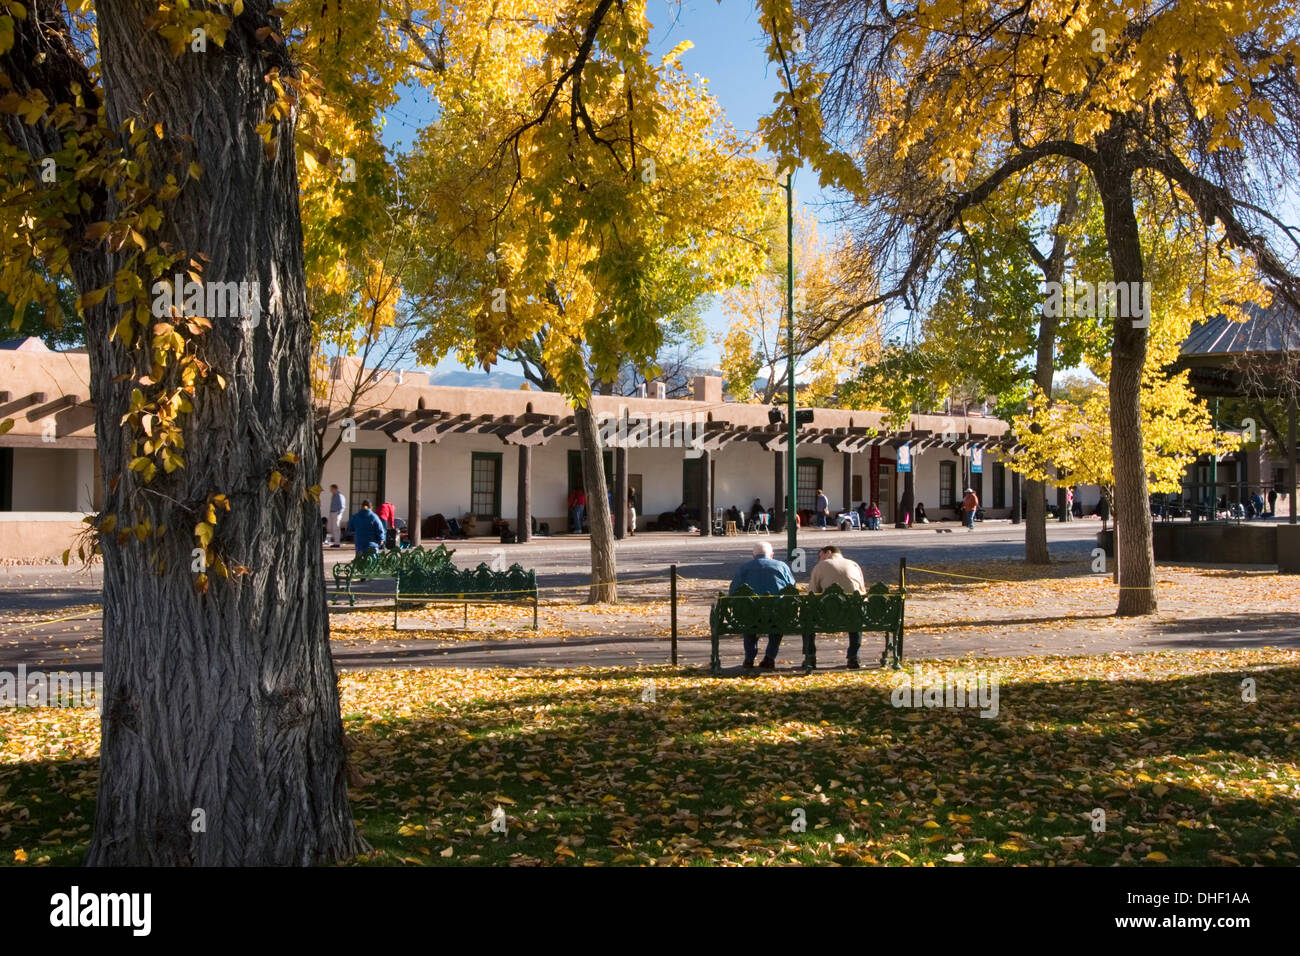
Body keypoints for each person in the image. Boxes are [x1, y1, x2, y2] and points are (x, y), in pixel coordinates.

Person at [729, 540, 796, 669]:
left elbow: (733, 592)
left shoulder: (744, 568)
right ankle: (770, 657)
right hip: (777, 613)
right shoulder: (781, 566)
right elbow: (792, 588)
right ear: (772, 555)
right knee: (778, 625)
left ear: (753, 555)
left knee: (749, 624)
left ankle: (749, 658)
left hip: (750, 614)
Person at [809, 545, 868, 668]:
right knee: (856, 613)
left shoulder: (820, 566)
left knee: (807, 617)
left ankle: (810, 656)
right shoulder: (854, 565)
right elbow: (862, 592)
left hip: (828, 616)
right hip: (853, 615)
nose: (819, 560)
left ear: (828, 553)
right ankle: (853, 656)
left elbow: (812, 595)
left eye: (820, 556)